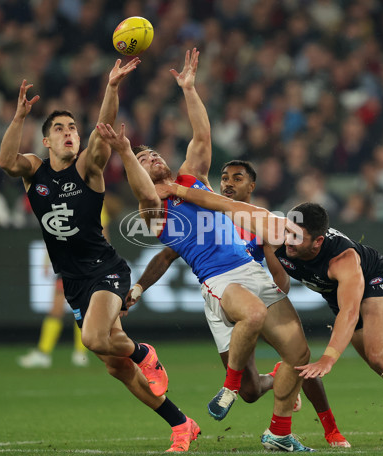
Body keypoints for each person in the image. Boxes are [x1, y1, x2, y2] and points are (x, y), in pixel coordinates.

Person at [96, 48, 315, 452]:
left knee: (295, 359)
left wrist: (190, 89)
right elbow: (146, 198)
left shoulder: (191, 179)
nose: (154, 157)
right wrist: (126, 151)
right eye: (146, 158)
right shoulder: (155, 213)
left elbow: (202, 136)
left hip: (251, 272)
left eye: (154, 153)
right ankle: (229, 389)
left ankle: (277, 432)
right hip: (217, 281)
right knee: (250, 318)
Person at [152, 183, 383, 452]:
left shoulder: (344, 261)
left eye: (296, 238)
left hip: (371, 281)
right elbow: (224, 204)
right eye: (288, 231)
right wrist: (177, 190)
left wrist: (328, 357)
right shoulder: (275, 228)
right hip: (335, 294)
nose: (286, 242)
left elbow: (350, 312)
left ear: (317, 241)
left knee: (381, 356)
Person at [0, 58, 200, 453]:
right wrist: (19, 115)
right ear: (46, 141)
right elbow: (6, 161)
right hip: (74, 281)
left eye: (72, 127)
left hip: (106, 270)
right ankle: (181, 424)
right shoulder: (34, 171)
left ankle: (146, 353)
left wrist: (111, 88)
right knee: (115, 366)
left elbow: (104, 136)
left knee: (94, 338)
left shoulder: (88, 169)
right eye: (59, 129)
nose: (69, 133)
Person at [126, 159, 350, 448]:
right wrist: (141, 285)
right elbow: (167, 255)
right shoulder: (207, 214)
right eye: (225, 178)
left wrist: (278, 309)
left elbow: (279, 277)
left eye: (237, 178)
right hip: (224, 294)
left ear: (251, 186)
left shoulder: (259, 224)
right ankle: (251, 385)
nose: (228, 183)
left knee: (296, 356)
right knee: (250, 388)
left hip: (254, 293)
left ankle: (326, 430)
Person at [18, 206, 112, 368]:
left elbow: (104, 235)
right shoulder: (82, 199)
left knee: (62, 308)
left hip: (80, 262)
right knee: (77, 308)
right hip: (72, 261)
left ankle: (48, 353)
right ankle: (78, 354)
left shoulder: (92, 201)